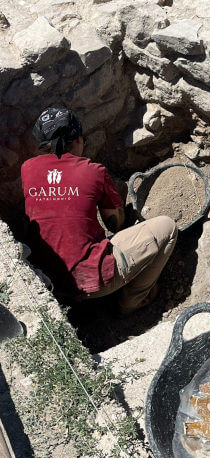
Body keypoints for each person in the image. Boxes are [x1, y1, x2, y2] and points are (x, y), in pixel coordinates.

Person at [21, 108, 177, 315]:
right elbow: (115, 223)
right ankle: (132, 302)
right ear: (78, 139)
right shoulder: (94, 171)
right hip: (91, 278)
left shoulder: (27, 169)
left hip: (49, 280)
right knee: (168, 227)